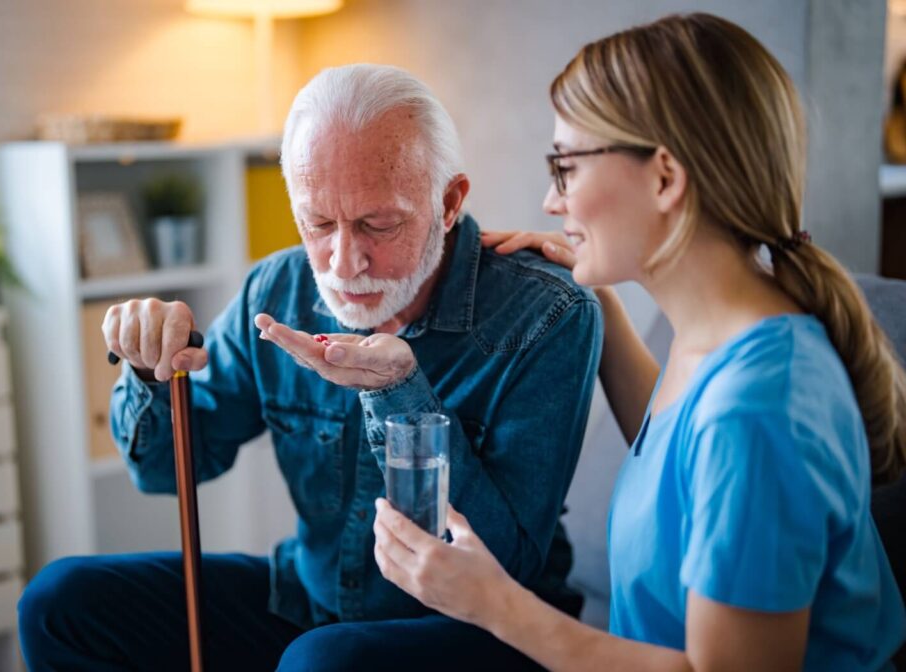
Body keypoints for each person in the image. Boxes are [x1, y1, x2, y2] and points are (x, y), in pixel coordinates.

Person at [16, 64, 603, 671]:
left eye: (380, 223)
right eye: (318, 223)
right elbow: (165, 470)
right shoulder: (277, 288)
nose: (345, 262)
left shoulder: (547, 313)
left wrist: (402, 395)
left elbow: (507, 559)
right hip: (317, 603)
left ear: (449, 201)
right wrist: (148, 371)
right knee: (58, 603)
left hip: (484, 628)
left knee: (322, 661)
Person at [373, 13, 906, 671]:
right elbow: (676, 461)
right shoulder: (717, 341)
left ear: (664, 177)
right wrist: (601, 303)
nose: (549, 201)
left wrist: (496, 605)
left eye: (565, 168)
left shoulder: (762, 407)